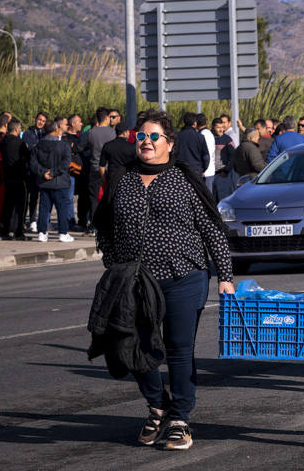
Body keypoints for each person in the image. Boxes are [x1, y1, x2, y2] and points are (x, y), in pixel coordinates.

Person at [93, 110, 234, 451]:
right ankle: (158, 406)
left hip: (184, 277)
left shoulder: (184, 179)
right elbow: (106, 227)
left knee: (178, 350)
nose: (146, 141)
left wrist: (225, 276)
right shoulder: (123, 180)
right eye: (141, 136)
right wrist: (115, 266)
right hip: (135, 282)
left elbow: (212, 228)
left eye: (154, 136)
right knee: (134, 347)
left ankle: (180, 420)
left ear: (169, 144)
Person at [29, 116, 74, 243]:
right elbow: (66, 163)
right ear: (55, 130)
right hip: (59, 181)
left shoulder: (38, 145)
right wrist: (53, 173)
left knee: (44, 209)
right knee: (62, 208)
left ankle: (42, 232)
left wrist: (43, 173)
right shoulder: (64, 145)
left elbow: (33, 163)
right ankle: (63, 233)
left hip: (44, 182)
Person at [82, 107, 117, 235]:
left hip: (94, 168)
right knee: (110, 197)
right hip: (109, 169)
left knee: (94, 199)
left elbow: (80, 147)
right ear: (107, 118)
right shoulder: (112, 133)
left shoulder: (90, 132)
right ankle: (109, 224)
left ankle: (94, 225)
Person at [0, 119, 30, 240]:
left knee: (8, 205)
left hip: (7, 176)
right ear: (17, 129)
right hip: (19, 177)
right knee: (21, 206)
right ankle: (19, 232)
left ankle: (5, 230)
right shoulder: (20, 143)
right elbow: (27, 158)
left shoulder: (4, 141)